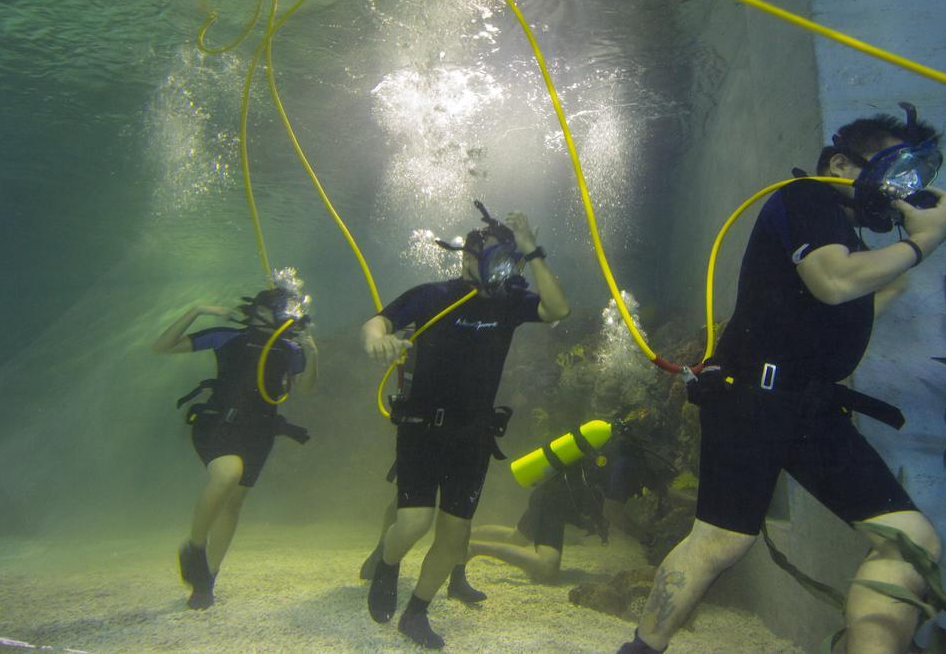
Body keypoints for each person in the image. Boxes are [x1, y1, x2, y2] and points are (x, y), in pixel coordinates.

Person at [618, 105, 946, 654]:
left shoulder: (847, 234)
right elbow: (832, 282)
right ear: (842, 166)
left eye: (913, 178)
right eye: (893, 170)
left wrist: (897, 261)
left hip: (811, 407)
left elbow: (856, 296)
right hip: (751, 396)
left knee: (909, 543)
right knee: (721, 542)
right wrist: (924, 243)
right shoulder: (806, 200)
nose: (901, 190)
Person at [361, 203, 570, 649]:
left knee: (454, 540)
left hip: (472, 435)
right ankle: (387, 562)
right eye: (493, 256)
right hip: (421, 429)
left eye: (507, 259)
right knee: (414, 523)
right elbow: (378, 321)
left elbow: (558, 309)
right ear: (467, 256)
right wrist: (378, 339)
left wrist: (533, 252)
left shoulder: (510, 304)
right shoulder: (433, 295)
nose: (501, 267)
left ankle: (416, 612)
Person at [153, 285, 318, 609]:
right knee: (228, 475)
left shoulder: (290, 350)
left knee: (233, 505)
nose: (288, 316)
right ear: (261, 309)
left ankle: (206, 581)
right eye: (283, 308)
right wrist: (198, 310)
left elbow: (306, 389)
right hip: (218, 425)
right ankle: (195, 548)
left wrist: (313, 354)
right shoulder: (228, 336)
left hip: (259, 434)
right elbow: (163, 346)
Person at [467, 439, 654, 583]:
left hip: (548, 492)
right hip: (553, 504)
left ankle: (466, 535)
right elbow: (612, 513)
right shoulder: (626, 465)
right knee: (547, 567)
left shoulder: (614, 453)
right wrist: (645, 537)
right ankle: (475, 547)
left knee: (515, 538)